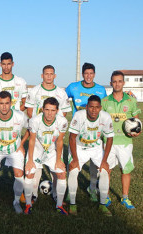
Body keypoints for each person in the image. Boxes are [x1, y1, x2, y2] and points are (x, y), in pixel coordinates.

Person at [0, 52, 28, 202]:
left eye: (9, 63)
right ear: (0, 64)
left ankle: (19, 193)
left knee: (18, 167)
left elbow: (24, 102)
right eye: (4, 64)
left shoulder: (20, 82)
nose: (6, 66)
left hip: (13, 125)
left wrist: (11, 116)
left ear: (13, 64)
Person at [24, 65, 71, 203]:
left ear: (55, 76)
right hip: (38, 134)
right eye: (46, 74)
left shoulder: (61, 93)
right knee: (34, 168)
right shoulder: (34, 91)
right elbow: (30, 110)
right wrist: (39, 125)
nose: (49, 76)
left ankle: (57, 196)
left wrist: (52, 125)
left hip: (53, 137)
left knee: (57, 170)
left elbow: (64, 113)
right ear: (42, 75)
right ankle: (33, 195)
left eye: (51, 74)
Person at [66, 63, 107, 201]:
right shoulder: (73, 87)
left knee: (96, 165)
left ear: (94, 74)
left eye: (91, 73)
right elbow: (62, 100)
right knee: (73, 165)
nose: (89, 76)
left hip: (95, 132)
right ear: (82, 74)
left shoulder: (101, 90)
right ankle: (69, 192)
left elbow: (104, 110)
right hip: (78, 132)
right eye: (86, 73)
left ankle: (93, 188)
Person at [0, 91, 29, 214]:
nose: (4, 106)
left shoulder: (20, 116)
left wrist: (22, 144)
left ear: (11, 103)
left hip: (14, 149)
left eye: (7, 103)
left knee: (19, 174)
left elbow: (30, 129)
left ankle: (16, 202)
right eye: (1, 103)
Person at [68, 95, 114, 216]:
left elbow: (109, 139)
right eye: (91, 107)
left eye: (97, 107)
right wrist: (75, 159)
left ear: (100, 108)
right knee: (73, 171)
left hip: (96, 147)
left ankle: (102, 205)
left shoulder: (105, 117)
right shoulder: (79, 116)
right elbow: (72, 138)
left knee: (104, 171)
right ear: (87, 107)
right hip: (79, 147)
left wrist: (105, 160)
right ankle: (72, 204)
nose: (94, 110)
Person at [101, 71, 141, 209]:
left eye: (119, 81)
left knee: (125, 170)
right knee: (107, 170)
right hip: (109, 141)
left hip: (125, 142)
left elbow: (137, 120)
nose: (117, 84)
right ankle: (105, 197)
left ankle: (125, 198)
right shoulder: (105, 101)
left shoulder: (131, 101)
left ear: (123, 83)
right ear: (111, 83)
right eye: (114, 81)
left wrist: (138, 131)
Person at [25, 97, 68, 215]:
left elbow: (59, 141)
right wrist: (29, 160)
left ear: (57, 110)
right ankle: (28, 204)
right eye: (47, 110)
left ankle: (59, 205)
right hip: (37, 151)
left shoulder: (62, 121)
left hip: (52, 152)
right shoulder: (34, 120)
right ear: (42, 109)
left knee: (61, 173)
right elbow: (32, 140)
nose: (50, 113)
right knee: (29, 173)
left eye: (53, 110)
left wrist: (59, 160)